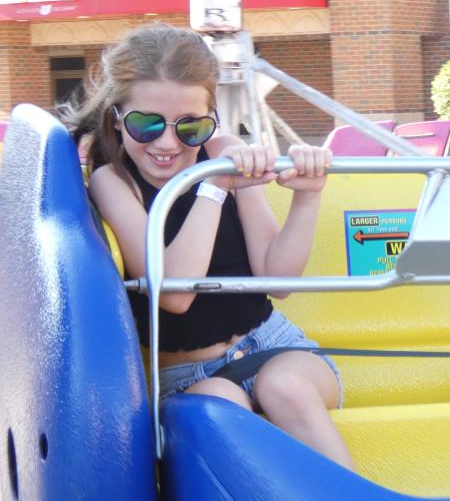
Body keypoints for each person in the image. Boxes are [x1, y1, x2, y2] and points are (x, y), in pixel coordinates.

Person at [59, 24, 354, 469]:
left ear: (210, 117)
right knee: (221, 402)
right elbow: (176, 293)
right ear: (117, 117)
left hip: (275, 347)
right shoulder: (113, 181)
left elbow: (281, 280)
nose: (167, 143)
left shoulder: (224, 150)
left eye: (191, 127)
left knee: (285, 389)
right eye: (146, 124)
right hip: (186, 374)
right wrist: (213, 184)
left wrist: (307, 195)